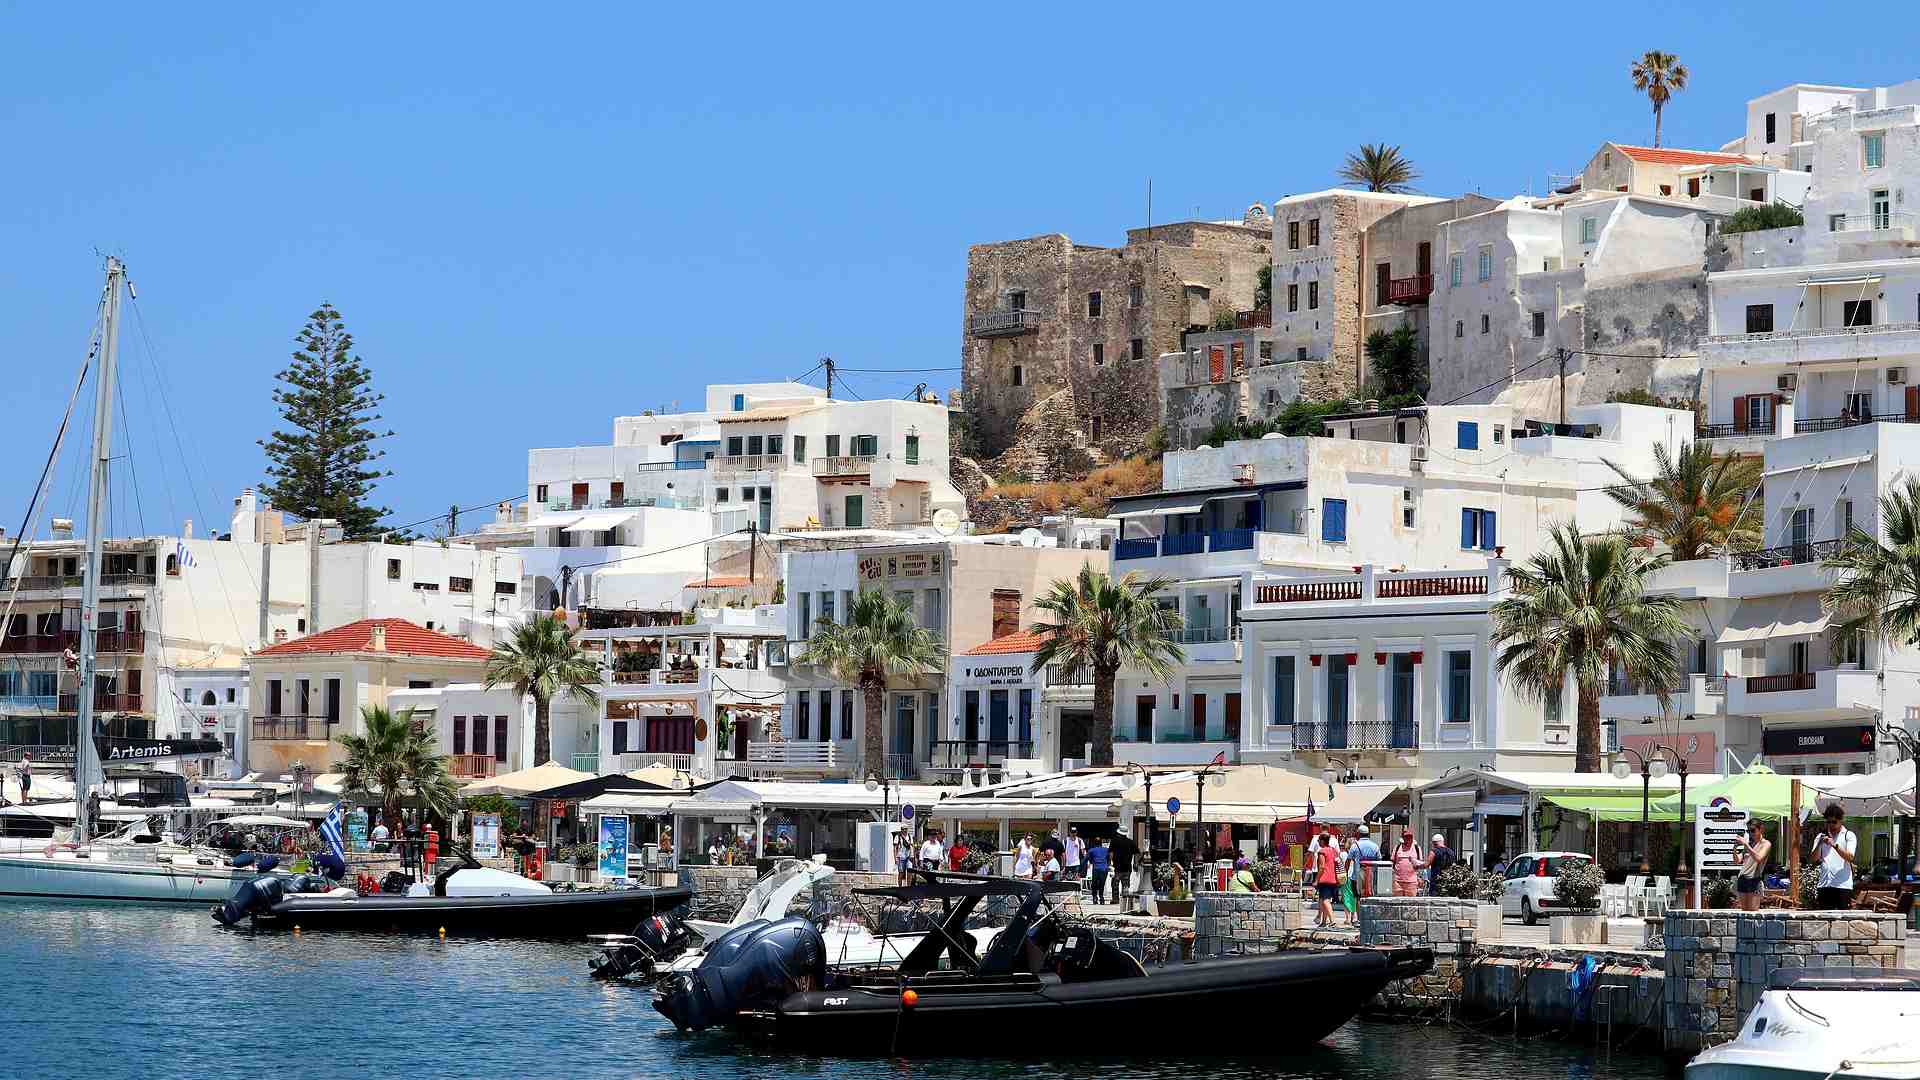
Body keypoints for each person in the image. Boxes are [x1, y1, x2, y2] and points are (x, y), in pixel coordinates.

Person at [1813, 803, 1857, 910]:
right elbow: (1814, 859)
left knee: (1842, 922)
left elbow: (1850, 857)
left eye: (1834, 822)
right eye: (1828, 822)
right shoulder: (1821, 836)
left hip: (1843, 886)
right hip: (1824, 885)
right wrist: (1819, 843)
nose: (1831, 825)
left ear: (1840, 820)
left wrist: (1834, 845)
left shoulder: (1848, 835)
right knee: (1824, 921)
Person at [1344, 826, 1380, 924]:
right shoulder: (1375, 846)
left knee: (1358, 897)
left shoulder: (1355, 846)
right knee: (1370, 896)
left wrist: (1346, 873)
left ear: (1358, 834)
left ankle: (1360, 920)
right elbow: (1379, 860)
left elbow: (1348, 861)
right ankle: (1370, 918)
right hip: (1371, 876)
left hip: (1357, 876)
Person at [1734, 819, 1772, 911]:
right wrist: (1734, 849)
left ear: (1761, 829)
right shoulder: (1750, 844)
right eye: (1748, 831)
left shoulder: (1766, 844)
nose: (1750, 833)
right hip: (1742, 879)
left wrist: (1746, 845)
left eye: (1753, 830)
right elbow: (1737, 860)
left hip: (1754, 879)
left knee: (1753, 913)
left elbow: (1759, 858)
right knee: (1744, 913)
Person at [1312, 826, 1340, 928]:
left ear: (1323, 841)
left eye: (1319, 840)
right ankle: (1323, 922)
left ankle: (1332, 921)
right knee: (1325, 899)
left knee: (1325, 900)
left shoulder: (1322, 851)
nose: (1318, 841)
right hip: (1333, 879)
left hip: (1325, 879)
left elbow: (1322, 867)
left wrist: (1316, 880)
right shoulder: (1333, 850)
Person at [1391, 832, 1424, 897]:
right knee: (1396, 903)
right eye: (1406, 837)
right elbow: (1392, 862)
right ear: (1403, 838)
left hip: (1412, 882)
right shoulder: (1397, 847)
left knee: (1411, 904)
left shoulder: (1417, 848)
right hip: (1398, 882)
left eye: (1410, 837)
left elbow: (1420, 864)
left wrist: (1420, 877)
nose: (1408, 839)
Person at [1109, 831, 1137, 908]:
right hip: (1127, 868)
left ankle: (1115, 899)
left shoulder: (1114, 841)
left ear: (1119, 833)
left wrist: (1110, 863)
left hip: (1117, 867)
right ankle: (1124, 899)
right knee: (1126, 884)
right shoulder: (1130, 842)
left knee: (1115, 884)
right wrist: (1135, 863)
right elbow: (1137, 853)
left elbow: (1111, 853)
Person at [1086, 835, 1112, 903]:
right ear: (1101, 843)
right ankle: (1101, 898)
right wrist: (1107, 865)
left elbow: (1086, 859)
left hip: (1096, 868)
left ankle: (1095, 897)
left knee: (1094, 884)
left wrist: (1081, 867)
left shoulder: (1091, 850)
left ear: (1094, 843)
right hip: (1104, 869)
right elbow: (1109, 859)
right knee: (1102, 884)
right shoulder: (1106, 850)